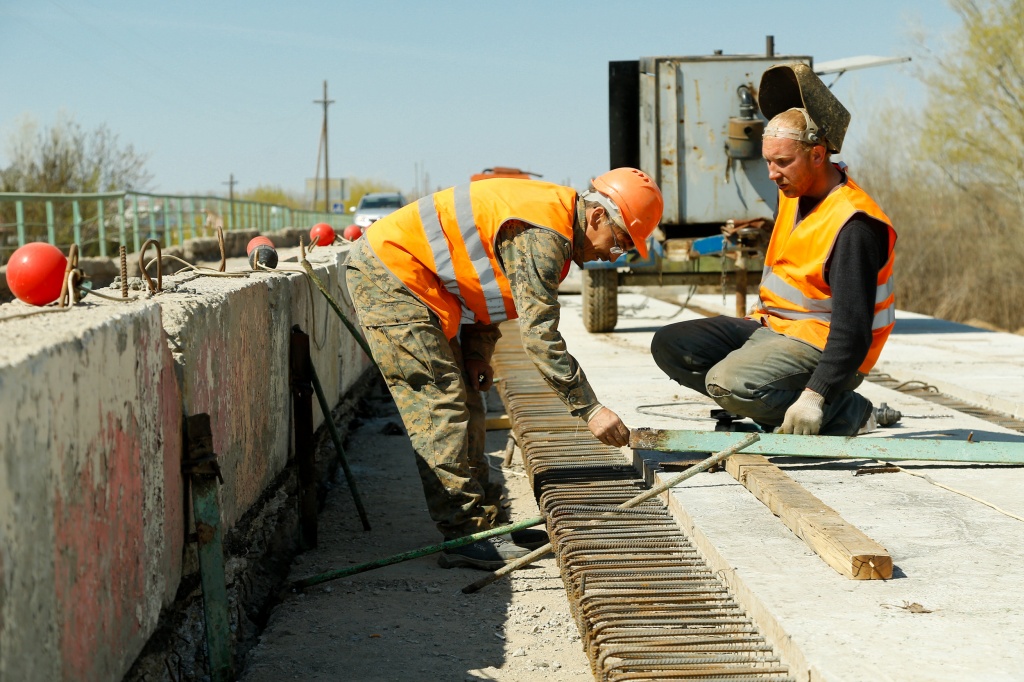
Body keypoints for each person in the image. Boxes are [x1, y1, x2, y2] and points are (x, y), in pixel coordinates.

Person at [345, 168, 663, 569]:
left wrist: (478, 350)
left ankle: (486, 523)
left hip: (423, 284)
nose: (611, 255)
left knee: (467, 400)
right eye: (618, 243)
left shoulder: (551, 222)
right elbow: (539, 337)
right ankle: (464, 535)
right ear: (598, 217)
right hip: (390, 277)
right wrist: (590, 409)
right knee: (438, 405)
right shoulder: (544, 234)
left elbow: (483, 283)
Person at [651, 63, 896, 437]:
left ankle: (846, 411)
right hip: (775, 329)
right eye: (768, 161)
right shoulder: (795, 194)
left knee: (728, 382)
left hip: (825, 346)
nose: (771, 173)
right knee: (671, 345)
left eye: (783, 162)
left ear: (817, 155)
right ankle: (775, 401)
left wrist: (815, 396)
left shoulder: (854, 225)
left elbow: (853, 333)